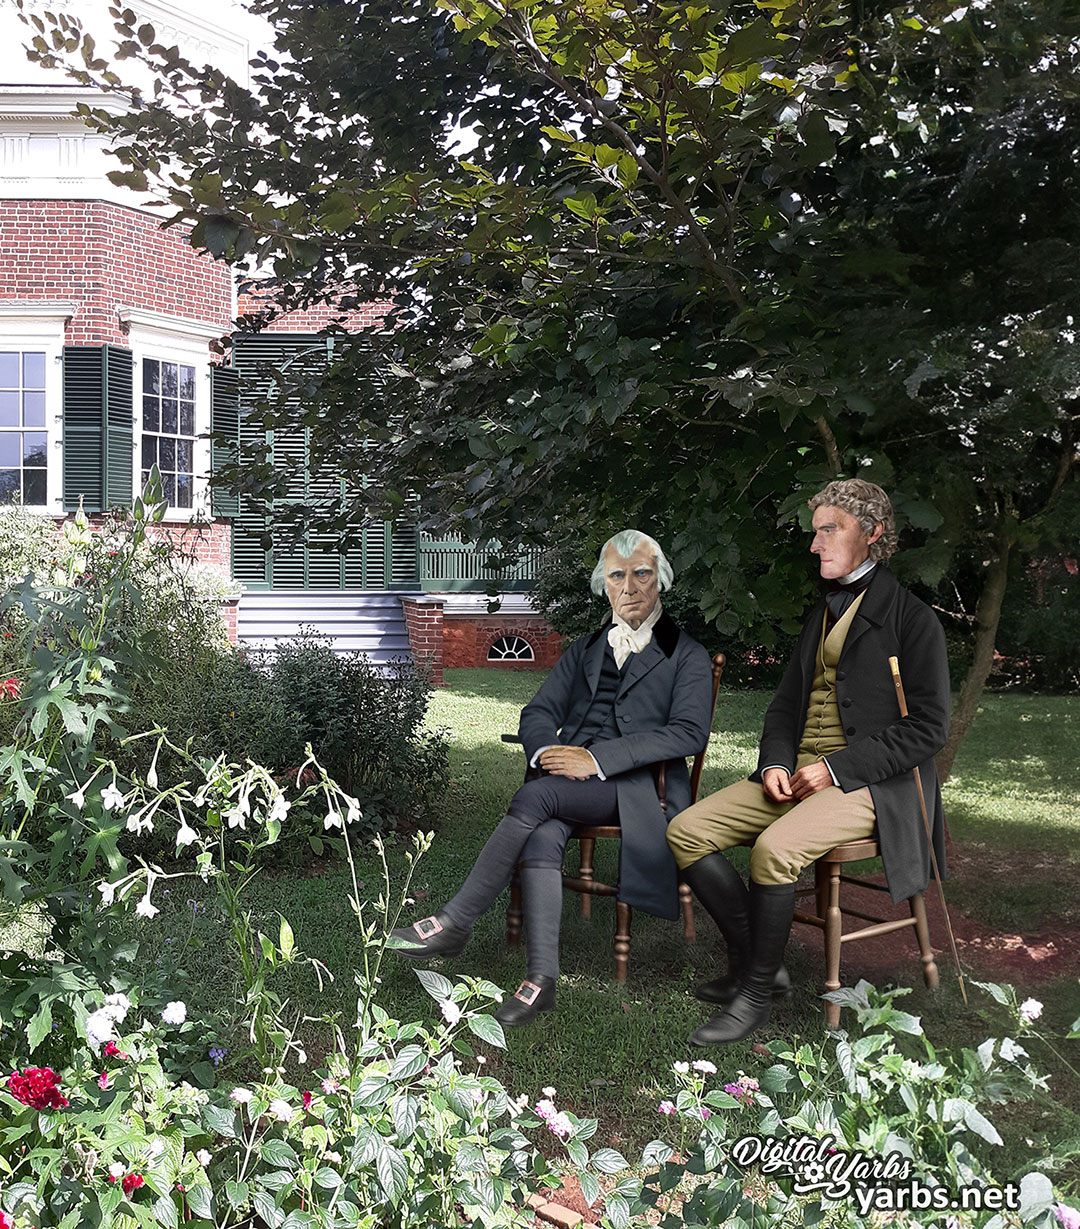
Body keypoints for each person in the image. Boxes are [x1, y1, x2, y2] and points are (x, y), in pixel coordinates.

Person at [667, 479, 950, 1046]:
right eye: (815, 531)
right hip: (797, 773)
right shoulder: (819, 614)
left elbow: (928, 728)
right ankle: (762, 967)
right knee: (685, 830)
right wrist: (774, 761)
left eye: (830, 530)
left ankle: (751, 999)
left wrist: (836, 769)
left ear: (871, 534)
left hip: (874, 785)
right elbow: (786, 706)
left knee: (774, 851)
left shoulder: (913, 620)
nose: (816, 543)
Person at [390, 530, 714, 1026]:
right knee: (542, 825)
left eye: (642, 573)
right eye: (616, 576)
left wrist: (598, 759)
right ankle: (541, 981)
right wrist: (545, 749)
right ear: (603, 585)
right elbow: (539, 709)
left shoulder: (685, 653)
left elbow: (689, 733)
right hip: (569, 781)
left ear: (661, 579)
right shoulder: (585, 649)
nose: (629, 587)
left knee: (536, 799)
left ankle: (456, 921)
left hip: (638, 788)